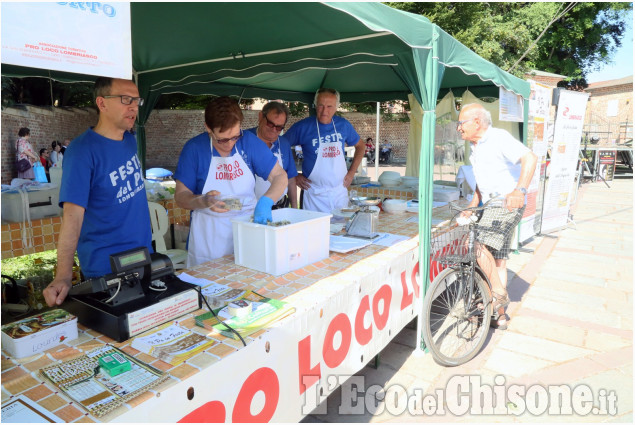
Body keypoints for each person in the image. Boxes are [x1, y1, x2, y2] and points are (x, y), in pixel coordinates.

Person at [43, 77, 153, 307]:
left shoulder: (130, 141)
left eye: (136, 100)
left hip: (143, 259)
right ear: (102, 103)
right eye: (126, 99)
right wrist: (63, 275)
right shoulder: (82, 151)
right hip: (106, 271)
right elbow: (72, 219)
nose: (133, 106)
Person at [174, 96, 287, 267]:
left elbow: (280, 176)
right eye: (222, 139)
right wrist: (202, 200)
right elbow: (181, 196)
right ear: (208, 128)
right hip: (210, 237)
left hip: (246, 227)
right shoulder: (194, 149)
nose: (230, 144)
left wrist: (266, 201)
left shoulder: (248, 142)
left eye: (235, 136)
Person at [457, 103, 537, 330]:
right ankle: (500, 316)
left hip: (505, 202)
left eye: (461, 123)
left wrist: (519, 190)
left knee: (475, 246)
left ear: (476, 122)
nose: (459, 129)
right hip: (490, 202)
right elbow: (482, 181)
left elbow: (530, 158)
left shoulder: (498, 138)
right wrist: (473, 205)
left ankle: (498, 294)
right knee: (498, 261)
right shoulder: (476, 146)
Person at [284, 88, 365, 212]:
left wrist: (352, 172)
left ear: (336, 107)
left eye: (329, 106)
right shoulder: (303, 127)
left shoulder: (343, 125)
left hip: (339, 192)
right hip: (313, 194)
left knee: (340, 229)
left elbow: (361, 146)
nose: (324, 111)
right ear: (315, 105)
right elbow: (280, 147)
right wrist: (293, 175)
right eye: (321, 106)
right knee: (313, 230)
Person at [247, 101, 298, 209]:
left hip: (281, 205)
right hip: (251, 207)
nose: (274, 130)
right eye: (270, 124)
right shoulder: (245, 139)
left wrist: (294, 207)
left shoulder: (284, 143)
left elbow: (291, 179)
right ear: (261, 117)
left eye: (279, 127)